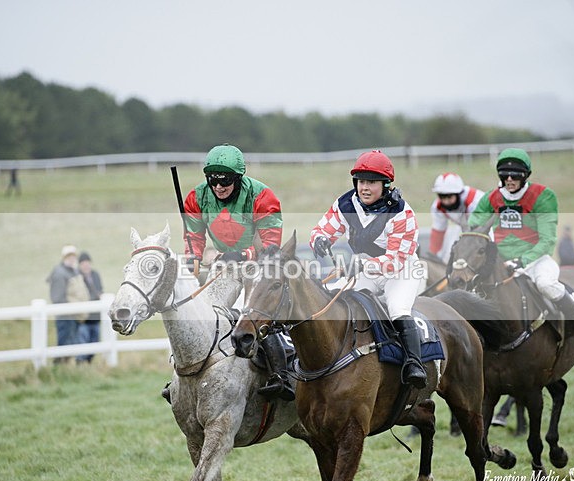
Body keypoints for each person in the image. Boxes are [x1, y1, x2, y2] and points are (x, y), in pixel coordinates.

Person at [182, 143, 294, 401]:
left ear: (239, 178)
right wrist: (193, 258)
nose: (219, 186)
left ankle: (281, 376)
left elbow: (271, 246)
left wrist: (246, 255)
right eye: (213, 180)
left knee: (254, 313)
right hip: (226, 263)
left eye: (226, 181)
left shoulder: (262, 196)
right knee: (208, 309)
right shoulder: (196, 197)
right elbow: (194, 236)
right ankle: (186, 375)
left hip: (259, 264)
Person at [310, 150, 427, 388]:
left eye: (372, 182)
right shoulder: (346, 203)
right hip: (365, 269)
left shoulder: (402, 213)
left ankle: (415, 364)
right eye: (361, 181)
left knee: (397, 308)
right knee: (340, 300)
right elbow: (322, 229)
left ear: (385, 185)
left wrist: (361, 264)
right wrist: (320, 241)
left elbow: (395, 260)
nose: (364, 188)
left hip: (401, 271)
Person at [468, 148, 574, 344]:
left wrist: (522, 260)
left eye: (515, 175)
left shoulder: (543, 196)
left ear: (525, 175)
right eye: (504, 175)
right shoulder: (492, 197)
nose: (509, 179)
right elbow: (475, 225)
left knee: (545, 284)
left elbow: (547, 240)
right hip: (501, 262)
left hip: (535, 260)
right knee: (474, 289)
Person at [429, 172, 485, 263]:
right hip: (463, 227)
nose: (445, 201)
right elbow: (438, 231)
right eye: (441, 196)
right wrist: (432, 255)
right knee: (449, 252)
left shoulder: (475, 201)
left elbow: (476, 231)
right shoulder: (437, 207)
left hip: (486, 227)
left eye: (449, 196)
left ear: (459, 193)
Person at [47, 245, 81, 361]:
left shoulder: (73, 270)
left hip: (73, 315)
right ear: (64, 258)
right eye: (69, 256)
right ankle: (59, 367)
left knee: (71, 344)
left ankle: (65, 368)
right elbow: (57, 298)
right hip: (65, 316)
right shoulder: (59, 273)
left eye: (73, 256)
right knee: (64, 343)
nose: (72, 259)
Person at [75, 251, 103, 364]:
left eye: (87, 263)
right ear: (80, 265)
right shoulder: (77, 278)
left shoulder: (95, 274)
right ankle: (80, 364)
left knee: (94, 342)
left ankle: (88, 364)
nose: (86, 265)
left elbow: (100, 290)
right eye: (83, 263)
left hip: (96, 318)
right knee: (83, 343)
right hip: (84, 319)